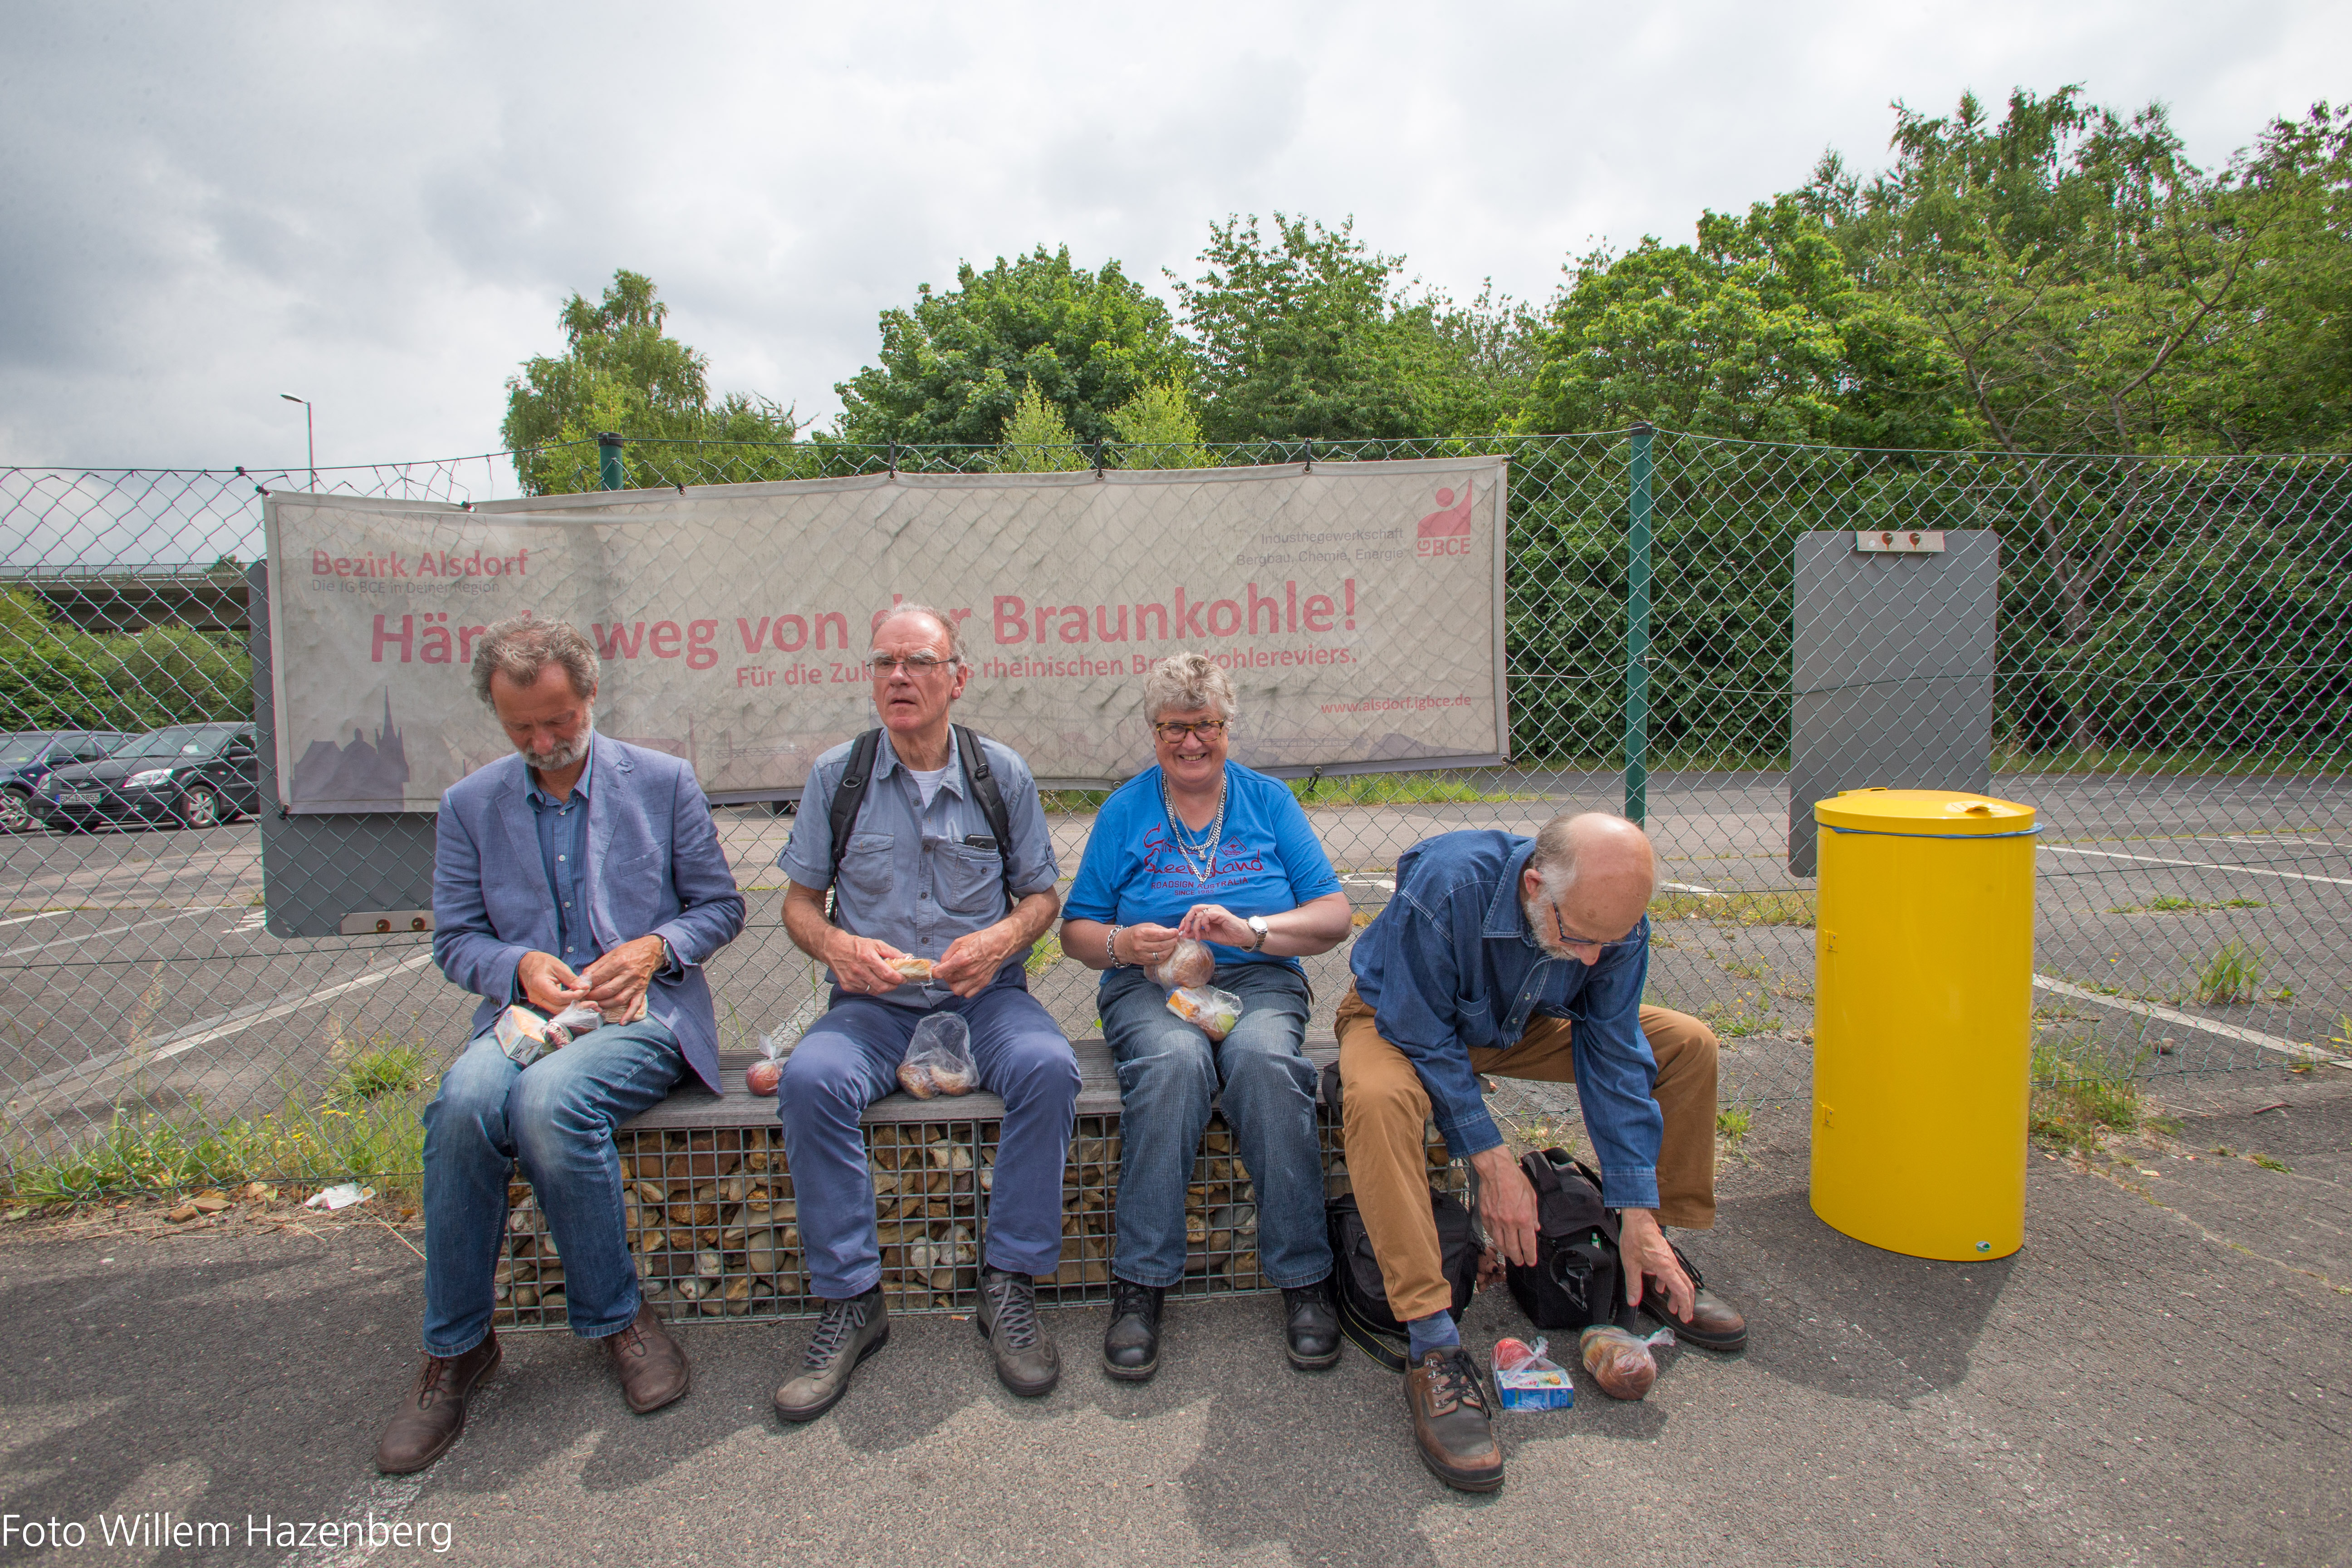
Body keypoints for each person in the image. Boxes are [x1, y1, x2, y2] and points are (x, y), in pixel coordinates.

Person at [374, 617, 746, 1475]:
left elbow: (719, 908)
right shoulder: (470, 805)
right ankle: (458, 1349)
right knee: (463, 1104)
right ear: (498, 718)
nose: (543, 742)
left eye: (558, 722)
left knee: (549, 1104)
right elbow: (456, 941)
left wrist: (654, 949)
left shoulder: (661, 782)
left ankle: (618, 1320)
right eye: (521, 730)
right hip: (529, 1020)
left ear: (590, 696)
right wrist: (519, 965)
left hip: (642, 1016)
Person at [1338, 813, 1748, 1493]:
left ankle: (1646, 1257)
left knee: (1686, 1044)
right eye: (1582, 937)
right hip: (1399, 1019)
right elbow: (1420, 1031)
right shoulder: (1448, 885)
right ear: (1535, 885)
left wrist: (1637, 1207)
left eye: (1609, 943)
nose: (1592, 959)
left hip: (1516, 1025)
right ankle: (1433, 1344)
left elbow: (1613, 1053)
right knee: (1379, 1100)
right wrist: (1493, 1163)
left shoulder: (1608, 921)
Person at [769, 604, 1077, 1421]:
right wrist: (836, 947)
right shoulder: (838, 775)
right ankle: (850, 1301)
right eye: (884, 663)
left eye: (918, 662)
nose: (899, 677)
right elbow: (799, 904)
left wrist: (1004, 938)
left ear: (956, 679)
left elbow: (1044, 896)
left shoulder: (998, 773)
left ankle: (1007, 1284)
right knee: (812, 1079)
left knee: (1049, 1068)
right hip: (876, 1005)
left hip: (985, 999)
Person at [1061, 653, 1356, 1381]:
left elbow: (1333, 917)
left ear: (1228, 727)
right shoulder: (1125, 810)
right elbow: (1075, 931)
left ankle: (1305, 1281)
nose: (1191, 743)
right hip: (1149, 986)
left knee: (1262, 1062)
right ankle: (1141, 1285)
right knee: (1174, 1063)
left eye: (1206, 726)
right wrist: (1121, 943)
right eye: (1174, 728)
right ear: (1153, 731)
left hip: (1257, 979)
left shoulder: (1269, 802)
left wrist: (1252, 930)